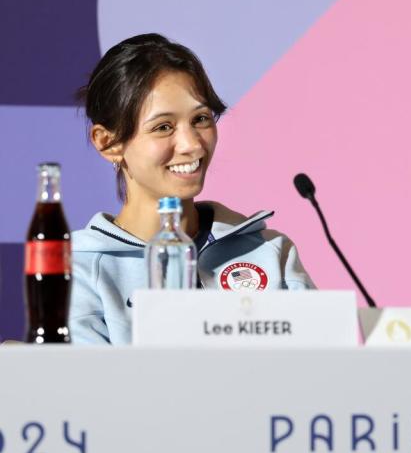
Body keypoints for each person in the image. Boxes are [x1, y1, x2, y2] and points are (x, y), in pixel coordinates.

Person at [69, 34, 314, 344]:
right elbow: (84, 389)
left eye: (200, 119)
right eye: (163, 127)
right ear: (108, 143)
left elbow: (321, 373)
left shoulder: (269, 250)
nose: (192, 144)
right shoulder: (79, 270)